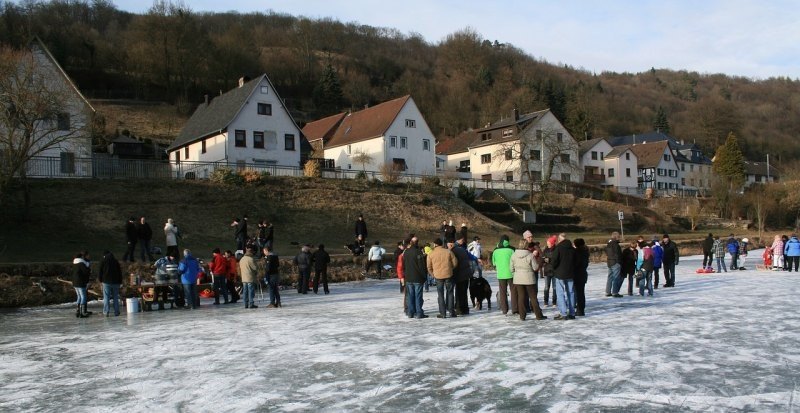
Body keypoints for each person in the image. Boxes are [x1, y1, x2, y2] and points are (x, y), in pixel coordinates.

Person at [510, 239, 546, 321]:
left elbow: (511, 269)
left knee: (521, 297)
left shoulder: (514, 255)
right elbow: (535, 267)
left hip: (518, 279)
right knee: (533, 297)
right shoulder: (530, 255)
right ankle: (539, 315)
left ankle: (522, 316)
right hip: (529, 278)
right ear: (526, 246)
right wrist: (540, 263)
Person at [427, 238, 457, 318]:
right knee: (450, 293)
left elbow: (429, 267)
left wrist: (433, 274)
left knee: (440, 294)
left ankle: (443, 313)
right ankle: (451, 311)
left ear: (435, 244)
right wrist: (450, 269)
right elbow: (455, 263)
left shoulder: (431, 253)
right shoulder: (448, 251)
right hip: (448, 275)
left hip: (438, 276)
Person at [550, 233, 576, 320]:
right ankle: (572, 313)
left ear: (559, 240)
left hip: (560, 273)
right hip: (570, 273)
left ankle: (563, 313)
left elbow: (554, 261)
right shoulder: (572, 248)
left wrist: (553, 268)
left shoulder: (558, 248)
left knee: (560, 293)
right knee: (571, 292)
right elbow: (575, 260)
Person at [403, 237, 428, 319]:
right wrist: (424, 276)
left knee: (410, 296)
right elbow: (421, 266)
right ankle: (419, 313)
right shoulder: (418, 252)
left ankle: (410, 313)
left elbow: (404, 265)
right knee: (418, 296)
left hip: (409, 277)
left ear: (411, 242)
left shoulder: (406, 252)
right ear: (417, 242)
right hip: (417, 278)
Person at [492, 235, 517, 315]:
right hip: (511, 274)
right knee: (513, 291)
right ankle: (515, 309)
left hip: (501, 274)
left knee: (503, 292)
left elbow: (494, 263)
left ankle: (504, 309)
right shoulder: (512, 249)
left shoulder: (495, 250)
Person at [451, 238, 476, 316]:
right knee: (464, 292)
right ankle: (465, 309)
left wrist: (453, 275)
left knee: (459, 293)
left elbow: (455, 265)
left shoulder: (453, 251)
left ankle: (459, 309)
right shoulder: (462, 249)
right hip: (467, 274)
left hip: (460, 274)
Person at [98, 250, 122, 317]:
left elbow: (100, 271)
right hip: (116, 282)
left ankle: (106, 312)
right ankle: (116, 312)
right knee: (115, 297)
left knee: (106, 297)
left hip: (106, 282)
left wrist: (100, 280)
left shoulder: (103, 261)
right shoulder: (115, 261)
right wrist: (120, 281)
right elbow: (119, 272)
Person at [573, 238, 590, 316]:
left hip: (577, 274)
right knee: (581, 293)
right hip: (583, 274)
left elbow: (576, 263)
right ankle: (581, 309)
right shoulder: (585, 251)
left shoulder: (577, 252)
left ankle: (580, 310)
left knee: (578, 293)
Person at [72, 251, 91, 318]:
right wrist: (88, 268)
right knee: (83, 297)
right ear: (81, 257)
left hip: (75, 282)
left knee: (79, 296)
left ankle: (78, 311)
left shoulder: (75, 263)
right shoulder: (81, 263)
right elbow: (86, 272)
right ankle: (82, 312)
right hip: (80, 282)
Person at [605, 231, 622, 297]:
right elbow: (618, 254)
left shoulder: (608, 244)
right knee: (616, 278)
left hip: (609, 262)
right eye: (619, 236)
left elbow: (607, 252)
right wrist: (619, 262)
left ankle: (608, 291)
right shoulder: (615, 244)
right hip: (615, 262)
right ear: (616, 237)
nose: (619, 238)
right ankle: (615, 292)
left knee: (610, 277)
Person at [541, 236, 557, 306]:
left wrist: (549, 260)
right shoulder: (545, 250)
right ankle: (546, 301)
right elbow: (542, 259)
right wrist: (543, 260)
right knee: (546, 287)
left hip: (555, 271)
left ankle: (554, 302)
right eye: (547, 243)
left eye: (549, 243)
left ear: (552, 243)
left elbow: (556, 260)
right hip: (547, 271)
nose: (547, 244)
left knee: (555, 287)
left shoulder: (556, 250)